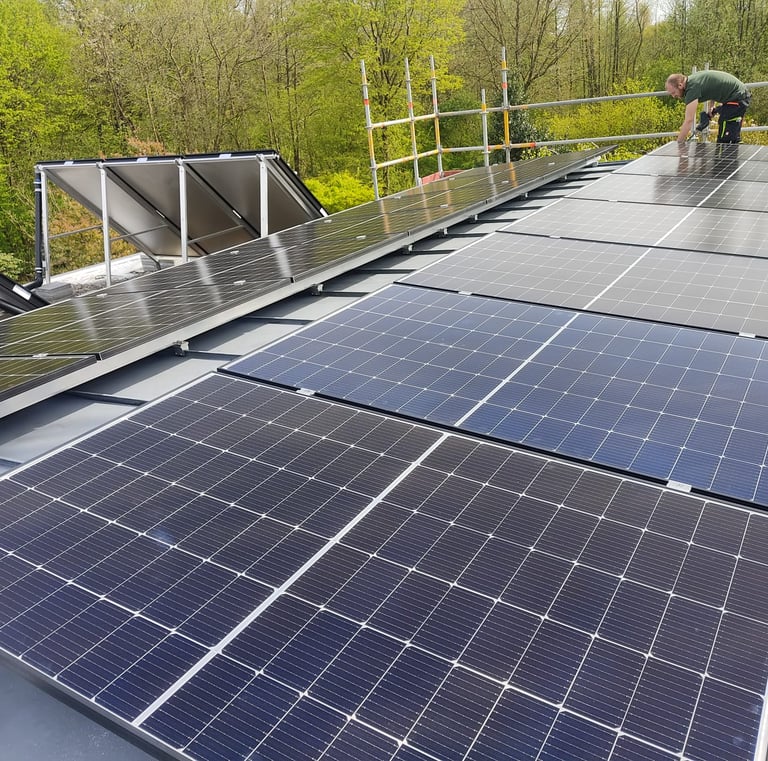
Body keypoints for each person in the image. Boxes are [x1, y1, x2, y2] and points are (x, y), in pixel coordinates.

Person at [665, 70, 751, 144]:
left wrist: (679, 144)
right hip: (737, 96)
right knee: (728, 135)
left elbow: (689, 120)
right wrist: (712, 105)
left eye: (673, 93)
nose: (673, 96)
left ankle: (733, 153)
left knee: (726, 140)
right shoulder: (693, 79)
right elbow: (713, 84)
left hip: (737, 97)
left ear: (680, 85)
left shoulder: (692, 88)